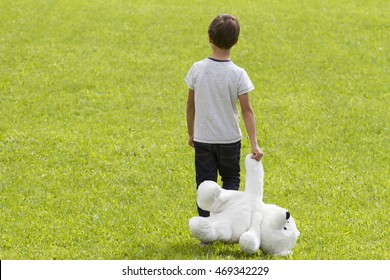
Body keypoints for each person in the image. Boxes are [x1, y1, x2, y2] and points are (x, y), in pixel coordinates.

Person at [185, 14, 264, 218]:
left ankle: (205, 229)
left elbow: (190, 106)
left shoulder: (197, 69)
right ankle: (227, 222)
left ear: (209, 37)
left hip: (203, 138)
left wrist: (191, 133)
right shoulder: (238, 73)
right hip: (230, 140)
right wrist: (254, 144)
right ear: (236, 41)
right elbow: (247, 110)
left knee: (204, 183)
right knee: (230, 180)